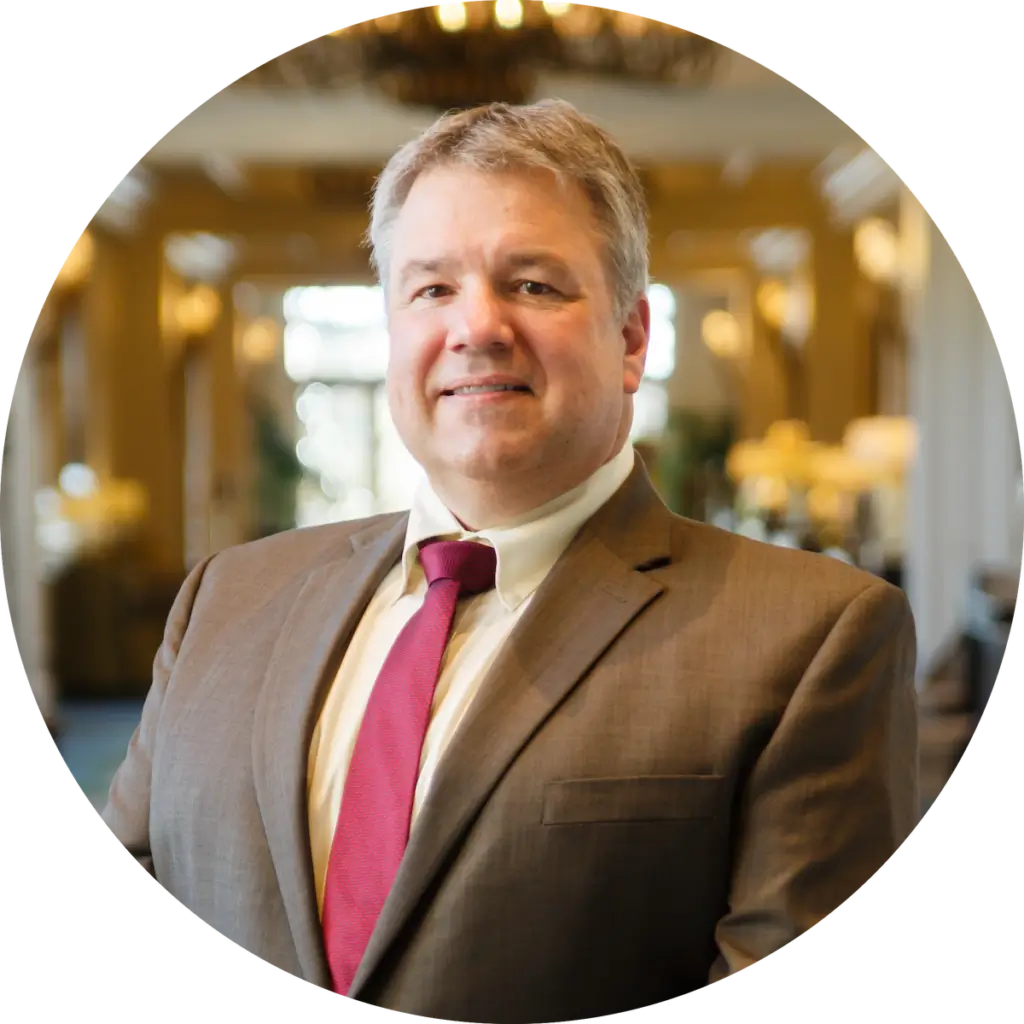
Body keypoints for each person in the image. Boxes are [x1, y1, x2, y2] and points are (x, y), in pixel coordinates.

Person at [100, 99, 919, 1022]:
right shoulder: (226, 597)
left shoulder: (811, 637)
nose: (477, 327)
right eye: (432, 289)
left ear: (631, 339)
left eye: (533, 285)